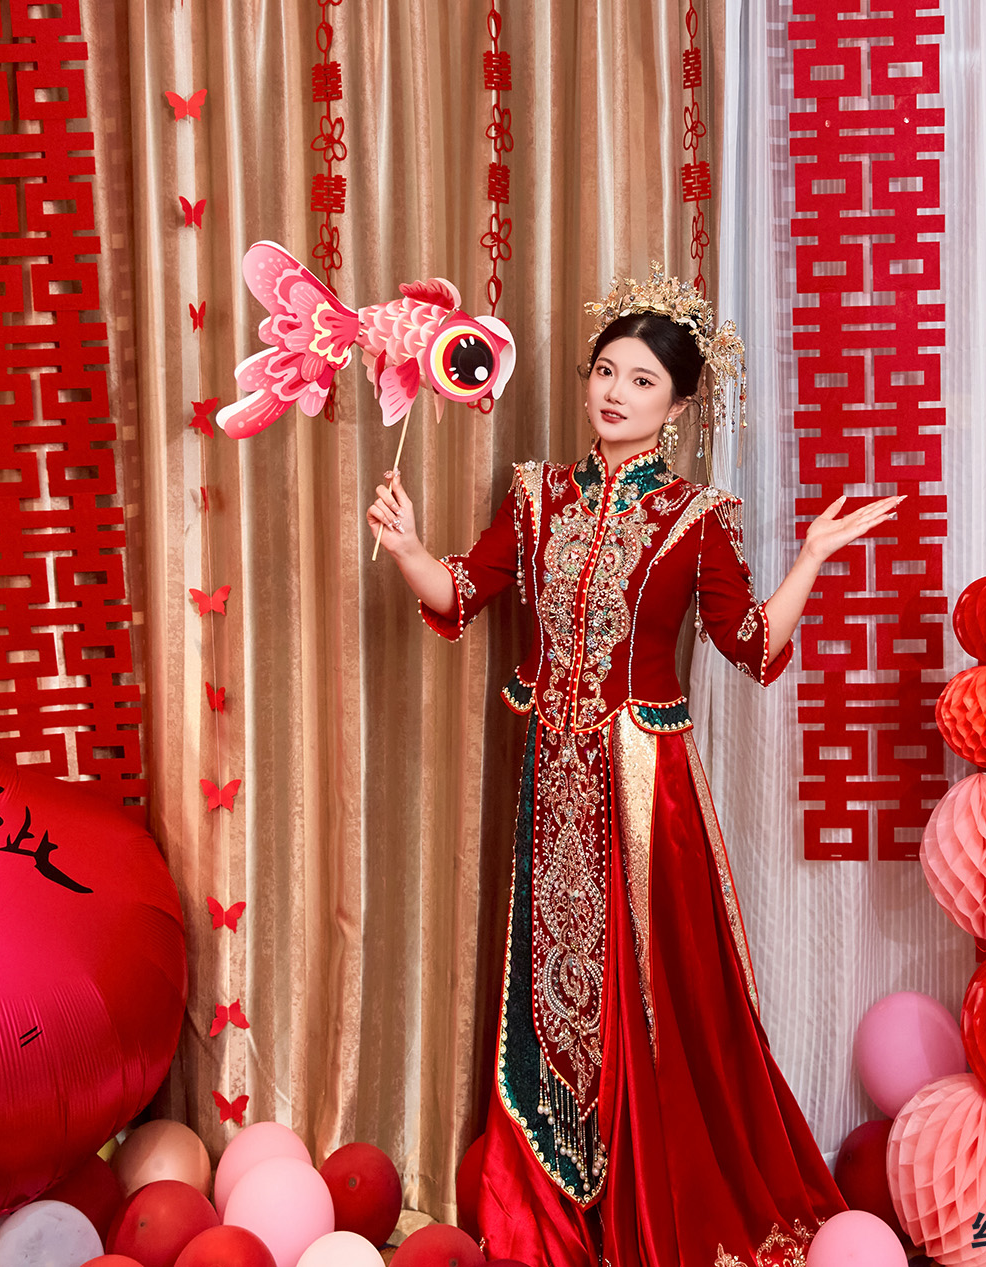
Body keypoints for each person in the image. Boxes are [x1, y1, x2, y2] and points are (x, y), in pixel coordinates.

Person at [366, 267, 904, 1267]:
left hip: (648, 794)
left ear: (679, 405)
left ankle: (652, 1198)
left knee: (653, 1001)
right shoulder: (534, 496)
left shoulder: (697, 518)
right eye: (604, 370)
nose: (614, 392)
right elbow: (461, 593)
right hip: (551, 783)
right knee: (552, 992)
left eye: (642, 380)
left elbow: (750, 644)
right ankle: (555, 1203)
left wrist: (811, 559)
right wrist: (405, 547)